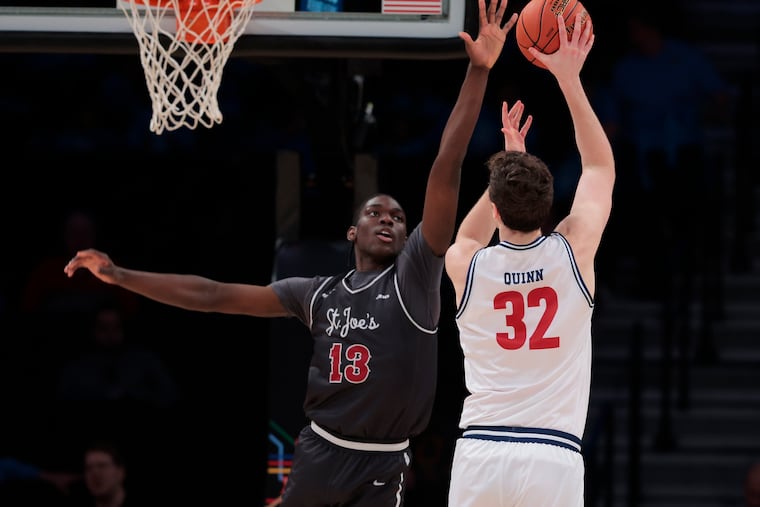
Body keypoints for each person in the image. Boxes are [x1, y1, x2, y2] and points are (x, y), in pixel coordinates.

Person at [63, 1, 517, 505]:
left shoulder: (415, 273)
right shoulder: (317, 294)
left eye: (398, 216)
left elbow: (445, 166)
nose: (388, 218)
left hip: (386, 459)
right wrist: (121, 274)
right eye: (376, 213)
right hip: (321, 452)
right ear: (352, 232)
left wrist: (478, 71)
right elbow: (212, 295)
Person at [444, 13, 614, 507]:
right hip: (551, 453)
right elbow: (600, 165)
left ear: (494, 205)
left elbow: (468, 233)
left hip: (480, 451)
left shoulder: (467, 264)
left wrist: (507, 164)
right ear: (550, 207)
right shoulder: (573, 249)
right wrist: (568, 76)